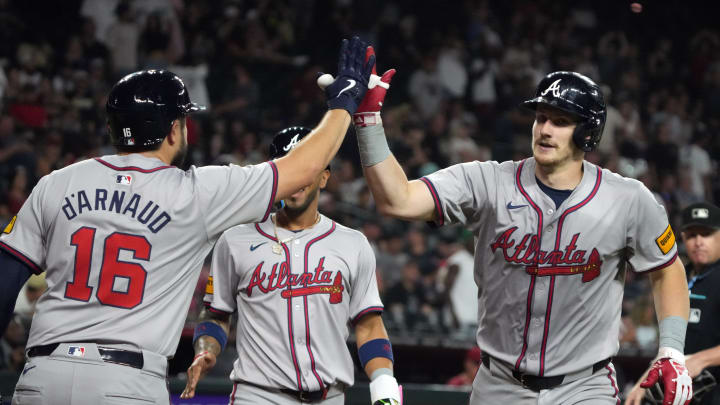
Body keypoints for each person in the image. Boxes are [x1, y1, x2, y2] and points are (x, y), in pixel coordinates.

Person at [0, 36, 376, 405]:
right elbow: (304, 168)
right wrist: (343, 102)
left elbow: (5, 281)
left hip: (44, 374)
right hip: (125, 382)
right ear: (173, 129)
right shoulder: (199, 192)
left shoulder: (57, 183)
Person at [352, 64, 693, 404]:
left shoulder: (628, 199)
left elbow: (667, 268)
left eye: (560, 122)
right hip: (499, 385)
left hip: (585, 388)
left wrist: (672, 351)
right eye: (541, 118)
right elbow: (398, 200)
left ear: (588, 133)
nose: (545, 129)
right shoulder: (487, 182)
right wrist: (368, 122)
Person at [181, 126, 401, 405]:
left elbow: (369, 325)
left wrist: (384, 383)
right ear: (274, 175)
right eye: (288, 166)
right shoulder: (234, 241)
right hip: (258, 395)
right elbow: (215, 314)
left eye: (306, 167)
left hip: (330, 397)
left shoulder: (353, 244)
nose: (298, 176)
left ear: (324, 177)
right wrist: (206, 350)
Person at [626, 202, 720, 405]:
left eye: (706, 234)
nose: (698, 242)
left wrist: (700, 359)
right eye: (692, 235)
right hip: (681, 390)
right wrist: (644, 380)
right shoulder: (678, 276)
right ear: (683, 238)